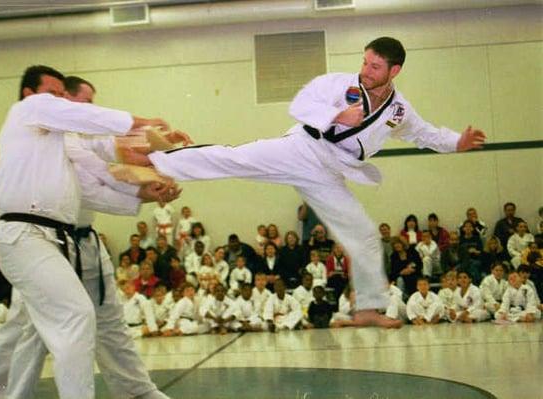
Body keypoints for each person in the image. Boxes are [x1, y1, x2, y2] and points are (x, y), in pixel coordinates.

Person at [142, 37, 485, 327]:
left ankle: (367, 307)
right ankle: (157, 164)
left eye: (375, 67)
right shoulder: (339, 84)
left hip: (332, 171)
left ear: (394, 71)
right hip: (303, 148)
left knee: (363, 233)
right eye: (365, 63)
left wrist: (457, 142)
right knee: (235, 158)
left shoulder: (400, 110)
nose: (366, 71)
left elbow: (424, 133)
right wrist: (338, 115)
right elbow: (302, 104)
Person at [0, 68, 180, 399]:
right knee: (63, 320)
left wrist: (148, 191)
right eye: (55, 93)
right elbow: (88, 123)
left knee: (86, 324)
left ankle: (138, 393)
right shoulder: (27, 111)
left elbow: (93, 183)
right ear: (32, 94)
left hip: (59, 241)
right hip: (26, 234)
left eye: (62, 94)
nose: (61, 100)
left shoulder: (58, 143)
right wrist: (142, 124)